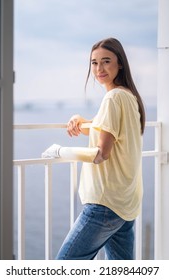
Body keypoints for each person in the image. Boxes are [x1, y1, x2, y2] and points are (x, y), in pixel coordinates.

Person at [42, 37, 145, 260]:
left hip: (105, 204)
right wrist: (82, 120)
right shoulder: (129, 97)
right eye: (94, 62)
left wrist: (59, 151)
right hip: (125, 203)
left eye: (106, 61)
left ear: (120, 64)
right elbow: (108, 130)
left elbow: (101, 154)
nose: (99, 68)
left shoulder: (113, 98)